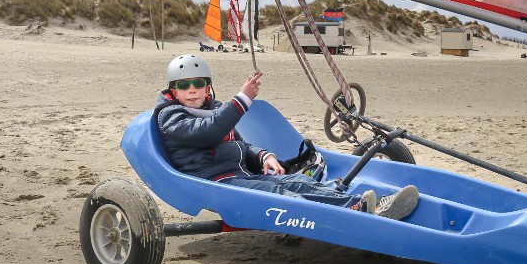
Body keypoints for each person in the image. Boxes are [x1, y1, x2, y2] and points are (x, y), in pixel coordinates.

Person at [156, 54, 419, 219]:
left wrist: (263, 156)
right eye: (183, 85)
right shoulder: (171, 116)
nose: (192, 90)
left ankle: (362, 205)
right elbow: (207, 132)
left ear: (207, 87)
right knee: (281, 192)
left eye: (198, 84)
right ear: (173, 90)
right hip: (215, 182)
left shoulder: (214, 109)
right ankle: (352, 212)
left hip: (241, 176)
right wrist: (243, 99)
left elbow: (239, 143)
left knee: (297, 182)